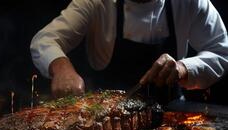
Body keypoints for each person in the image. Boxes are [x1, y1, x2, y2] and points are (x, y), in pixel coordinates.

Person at [30, 0, 228, 103]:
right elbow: (45, 39)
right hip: (105, 121)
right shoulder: (95, 2)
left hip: (171, 115)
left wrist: (184, 67)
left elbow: (221, 52)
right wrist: (61, 66)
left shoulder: (190, 2)